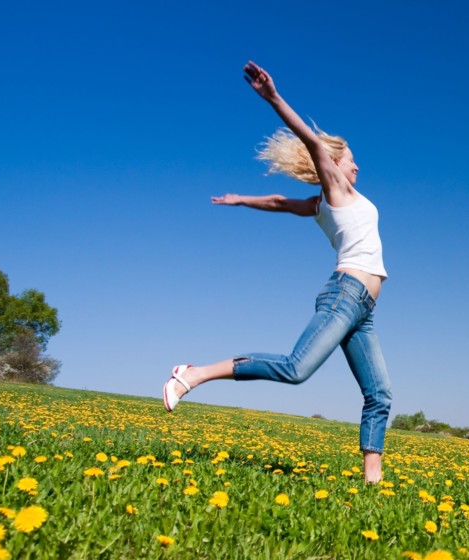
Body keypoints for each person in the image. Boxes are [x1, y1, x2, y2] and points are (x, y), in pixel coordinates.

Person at [163, 61, 391, 484]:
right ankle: (193, 373)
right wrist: (273, 98)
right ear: (334, 166)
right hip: (346, 294)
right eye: (352, 161)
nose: (357, 168)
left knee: (379, 395)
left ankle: (372, 485)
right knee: (296, 368)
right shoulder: (336, 191)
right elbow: (311, 142)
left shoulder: (320, 204)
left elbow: (277, 202)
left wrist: (239, 199)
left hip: (363, 308)